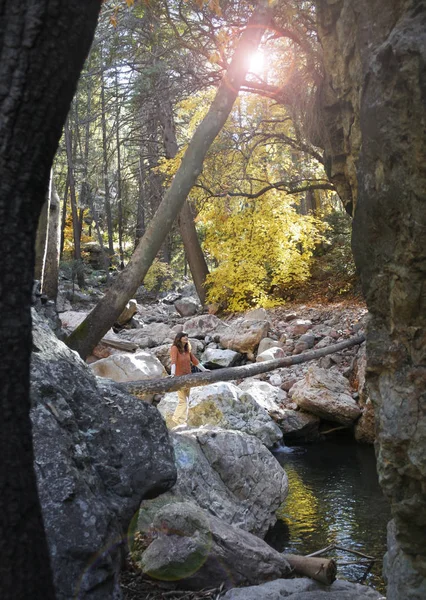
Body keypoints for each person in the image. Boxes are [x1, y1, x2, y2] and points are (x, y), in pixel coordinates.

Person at [170, 331, 208, 426]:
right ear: (179, 338)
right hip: (179, 378)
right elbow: (173, 361)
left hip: (188, 378)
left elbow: (195, 361)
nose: (186, 338)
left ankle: (182, 421)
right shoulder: (174, 348)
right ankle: (176, 418)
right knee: (183, 400)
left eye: (187, 336)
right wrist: (172, 374)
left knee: (186, 399)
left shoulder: (187, 350)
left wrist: (204, 370)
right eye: (184, 337)